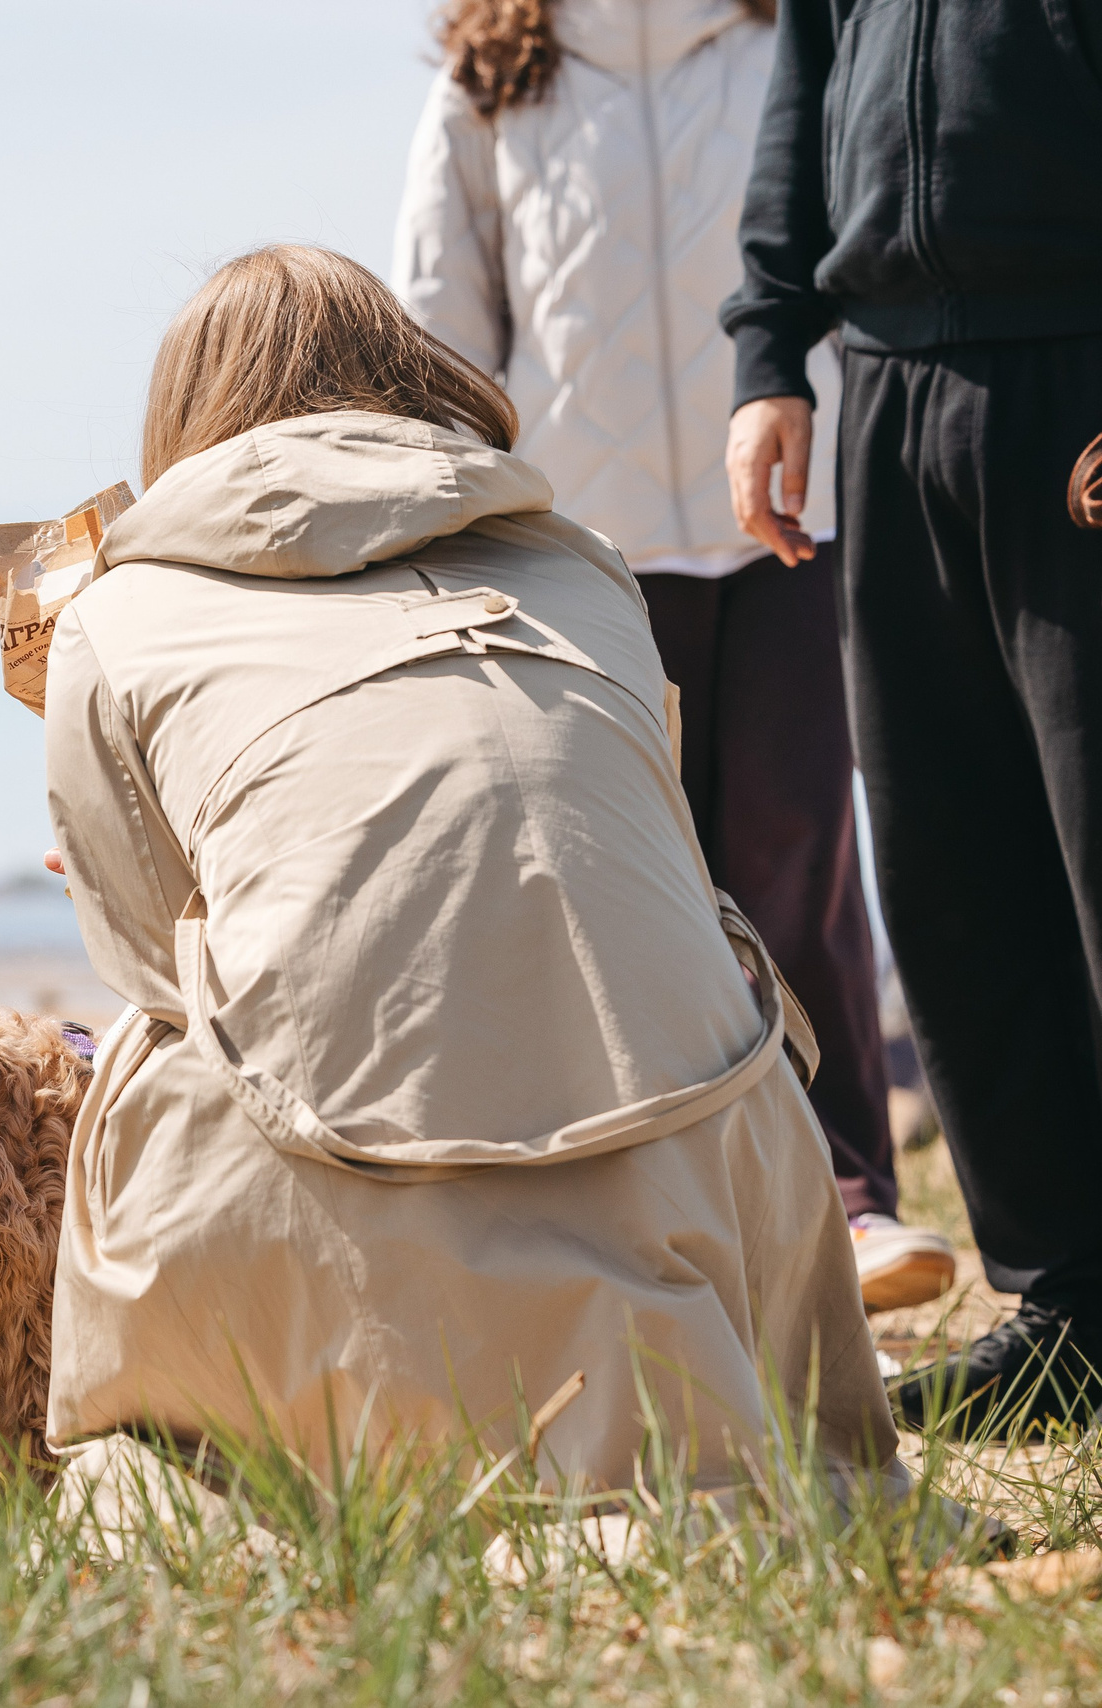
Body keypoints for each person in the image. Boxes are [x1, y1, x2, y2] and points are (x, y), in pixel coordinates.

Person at [42, 247, 900, 1498]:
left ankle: (258, 1439)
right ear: (404, 368)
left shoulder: (113, 612)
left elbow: (136, 954)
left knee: (145, 1039)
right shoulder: (584, 561)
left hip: (327, 1168)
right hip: (683, 1141)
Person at [390, 0, 954, 1315]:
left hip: (796, 520)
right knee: (615, 891)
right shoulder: (492, 75)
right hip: (576, 553)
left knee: (794, 849)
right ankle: (660, 1227)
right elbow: (440, 329)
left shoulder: (788, 40)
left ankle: (850, 1201)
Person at [722, 0, 1102, 1433]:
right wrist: (771, 353)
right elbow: (803, 84)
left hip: (1079, 367)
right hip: (886, 385)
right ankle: (1066, 1307)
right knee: (949, 871)